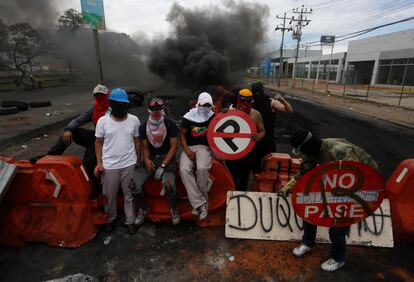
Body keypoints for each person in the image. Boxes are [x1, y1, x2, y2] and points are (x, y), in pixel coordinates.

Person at [279, 129, 379, 272]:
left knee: (338, 224)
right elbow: (303, 174)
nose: (303, 155)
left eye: (302, 151)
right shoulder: (311, 153)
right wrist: (286, 189)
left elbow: (357, 176)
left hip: (362, 183)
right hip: (337, 183)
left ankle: (339, 258)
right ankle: (308, 242)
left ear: (308, 146)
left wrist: (336, 199)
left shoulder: (339, 152)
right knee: (309, 207)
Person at [94, 88, 141, 235]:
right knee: (109, 195)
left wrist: (138, 160)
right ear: (111, 104)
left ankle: (130, 220)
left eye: (123, 104)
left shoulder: (134, 120)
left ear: (127, 105)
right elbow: (98, 142)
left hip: (129, 164)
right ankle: (110, 219)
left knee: (129, 194)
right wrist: (99, 163)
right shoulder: (103, 121)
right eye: (117, 104)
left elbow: (137, 140)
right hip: (109, 166)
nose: (121, 107)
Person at [132, 97, 181, 226]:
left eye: (159, 109)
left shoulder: (170, 124)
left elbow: (174, 147)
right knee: (132, 184)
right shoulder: (143, 128)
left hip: (167, 159)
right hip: (152, 159)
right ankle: (143, 208)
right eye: (154, 110)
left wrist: (163, 165)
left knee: (169, 185)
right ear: (149, 110)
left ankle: (173, 208)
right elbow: (146, 148)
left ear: (163, 109)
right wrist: (147, 159)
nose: (156, 112)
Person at [47, 84, 110, 182]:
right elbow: (78, 120)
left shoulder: (114, 107)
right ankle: (50, 157)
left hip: (110, 141)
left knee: (88, 162)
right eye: (97, 96)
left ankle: (95, 184)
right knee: (73, 131)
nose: (100, 98)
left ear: (107, 95)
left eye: (102, 95)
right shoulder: (94, 109)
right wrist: (68, 129)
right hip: (97, 138)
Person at [180, 92, 215, 220]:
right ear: (198, 104)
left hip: (205, 148)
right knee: (184, 169)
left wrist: (225, 111)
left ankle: (201, 206)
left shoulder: (213, 117)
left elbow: (223, 121)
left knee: (202, 169)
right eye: (203, 104)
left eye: (208, 105)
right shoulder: (188, 117)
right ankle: (200, 203)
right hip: (189, 147)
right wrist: (187, 150)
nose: (205, 107)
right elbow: (182, 135)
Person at [225, 88, 265, 191]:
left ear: (251, 101)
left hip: (248, 153)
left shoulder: (256, 114)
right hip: (232, 153)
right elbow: (217, 126)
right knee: (231, 178)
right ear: (238, 100)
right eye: (242, 100)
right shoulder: (230, 112)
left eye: (248, 101)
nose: (245, 103)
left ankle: (241, 200)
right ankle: (233, 200)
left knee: (244, 179)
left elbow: (262, 131)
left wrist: (258, 136)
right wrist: (222, 114)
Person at [250, 82, 293, 173]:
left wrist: (282, 100)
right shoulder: (250, 102)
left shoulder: (271, 102)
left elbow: (289, 110)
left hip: (267, 139)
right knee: (256, 168)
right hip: (255, 139)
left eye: (258, 93)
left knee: (269, 167)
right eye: (255, 93)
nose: (257, 95)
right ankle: (257, 184)